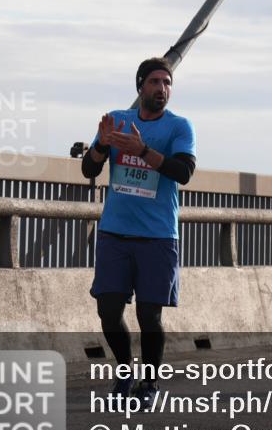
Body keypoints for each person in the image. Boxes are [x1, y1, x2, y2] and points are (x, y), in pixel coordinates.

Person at [81, 57, 197, 406]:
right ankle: (125, 371)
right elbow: (89, 168)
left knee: (149, 315)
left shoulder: (179, 127)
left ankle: (149, 385)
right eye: (155, 82)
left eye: (167, 83)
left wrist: (143, 151)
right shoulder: (117, 121)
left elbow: (183, 172)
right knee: (108, 310)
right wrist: (102, 145)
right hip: (115, 232)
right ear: (140, 86)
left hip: (157, 235)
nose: (162, 88)